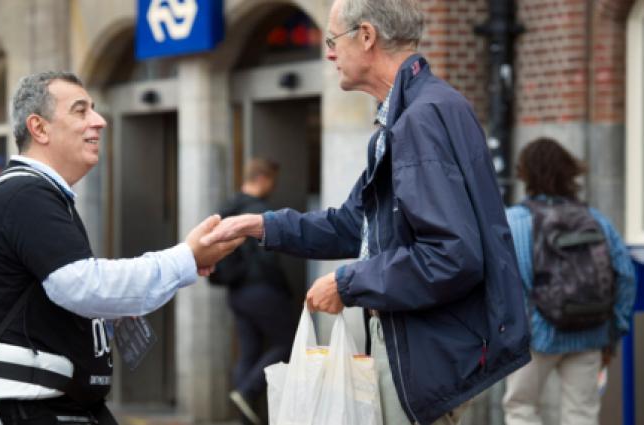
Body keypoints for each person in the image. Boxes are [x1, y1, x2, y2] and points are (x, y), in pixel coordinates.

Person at [201, 0, 532, 423]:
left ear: (368, 36)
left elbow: (452, 254)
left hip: (426, 355)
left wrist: (347, 283)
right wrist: (261, 225)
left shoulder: (420, 119)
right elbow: (352, 225)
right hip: (422, 349)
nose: (329, 54)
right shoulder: (413, 115)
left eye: (333, 40)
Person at [0, 71, 243, 425]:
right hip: (34, 410)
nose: (99, 122)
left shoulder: (38, 195)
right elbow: (83, 286)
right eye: (81, 111)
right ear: (39, 128)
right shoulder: (26, 196)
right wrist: (187, 257)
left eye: (94, 110)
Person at [502, 138, 636, 425]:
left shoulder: (512, 221)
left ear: (524, 174)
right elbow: (625, 276)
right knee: (582, 413)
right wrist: (614, 331)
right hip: (590, 332)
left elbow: (508, 284)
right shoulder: (596, 220)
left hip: (534, 337)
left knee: (521, 408)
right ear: (568, 172)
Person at [209, 159, 295, 425]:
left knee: (250, 351)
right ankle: (248, 392)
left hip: (237, 292)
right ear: (263, 179)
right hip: (261, 289)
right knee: (287, 341)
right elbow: (267, 259)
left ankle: (244, 416)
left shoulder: (227, 207)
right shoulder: (258, 212)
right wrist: (285, 289)